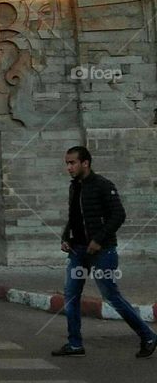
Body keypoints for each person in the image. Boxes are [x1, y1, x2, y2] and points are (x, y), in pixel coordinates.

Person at [53, 145, 157, 358]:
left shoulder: (103, 185)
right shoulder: (74, 187)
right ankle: (75, 344)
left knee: (111, 295)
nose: (69, 168)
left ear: (85, 163)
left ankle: (148, 336)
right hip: (77, 251)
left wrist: (98, 240)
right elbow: (74, 217)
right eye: (67, 163)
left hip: (102, 252)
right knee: (71, 296)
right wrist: (65, 238)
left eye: (72, 163)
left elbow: (118, 215)